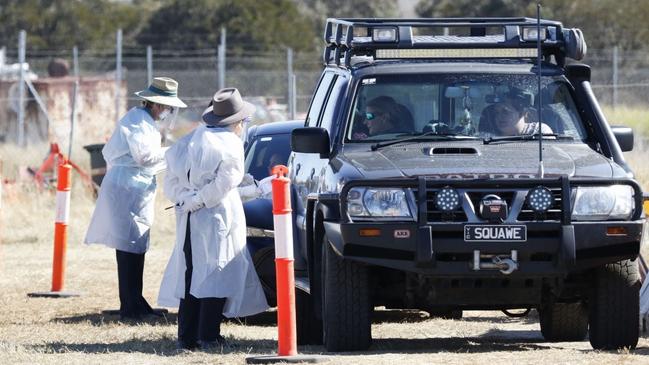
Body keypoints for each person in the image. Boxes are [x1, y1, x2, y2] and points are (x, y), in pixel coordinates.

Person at [158, 88, 269, 350]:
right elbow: (225, 183)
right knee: (217, 273)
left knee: (191, 274)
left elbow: (170, 181)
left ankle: (187, 336)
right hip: (216, 217)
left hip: (188, 218)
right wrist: (199, 200)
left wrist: (186, 199)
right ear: (237, 121)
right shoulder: (230, 144)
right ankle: (208, 335)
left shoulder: (191, 139)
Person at [84, 77, 187, 320]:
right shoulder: (138, 122)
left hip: (133, 186)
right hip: (127, 188)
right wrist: (175, 153)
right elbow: (145, 157)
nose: (169, 113)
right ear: (157, 105)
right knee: (129, 248)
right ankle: (130, 308)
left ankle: (136, 302)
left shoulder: (143, 120)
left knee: (135, 247)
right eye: (168, 108)